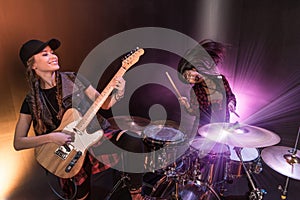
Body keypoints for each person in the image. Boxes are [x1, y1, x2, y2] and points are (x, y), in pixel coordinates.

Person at [13, 38, 145, 200]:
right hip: (69, 152)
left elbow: (104, 104)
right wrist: (53, 137)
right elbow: (18, 142)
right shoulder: (30, 102)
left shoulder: (74, 79)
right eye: (45, 54)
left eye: (53, 53)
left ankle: (136, 194)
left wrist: (119, 93)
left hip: (96, 138)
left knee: (132, 140)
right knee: (82, 195)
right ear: (33, 64)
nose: (53, 56)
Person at [177, 39, 237, 131]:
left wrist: (231, 103)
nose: (190, 79)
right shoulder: (195, 90)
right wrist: (187, 106)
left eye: (188, 75)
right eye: (187, 80)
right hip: (203, 127)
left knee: (221, 145)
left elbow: (231, 96)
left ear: (193, 68)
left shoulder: (221, 80)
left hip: (222, 125)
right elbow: (196, 112)